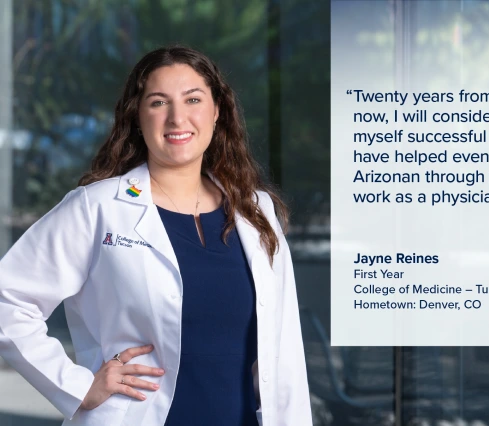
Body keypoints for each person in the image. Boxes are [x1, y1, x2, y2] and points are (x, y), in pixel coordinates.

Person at [0, 45, 312, 426]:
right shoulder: (98, 208)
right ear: (137, 117)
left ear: (216, 112)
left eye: (193, 99)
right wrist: (77, 386)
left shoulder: (255, 210)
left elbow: (285, 350)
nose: (177, 117)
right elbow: (7, 298)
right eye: (158, 102)